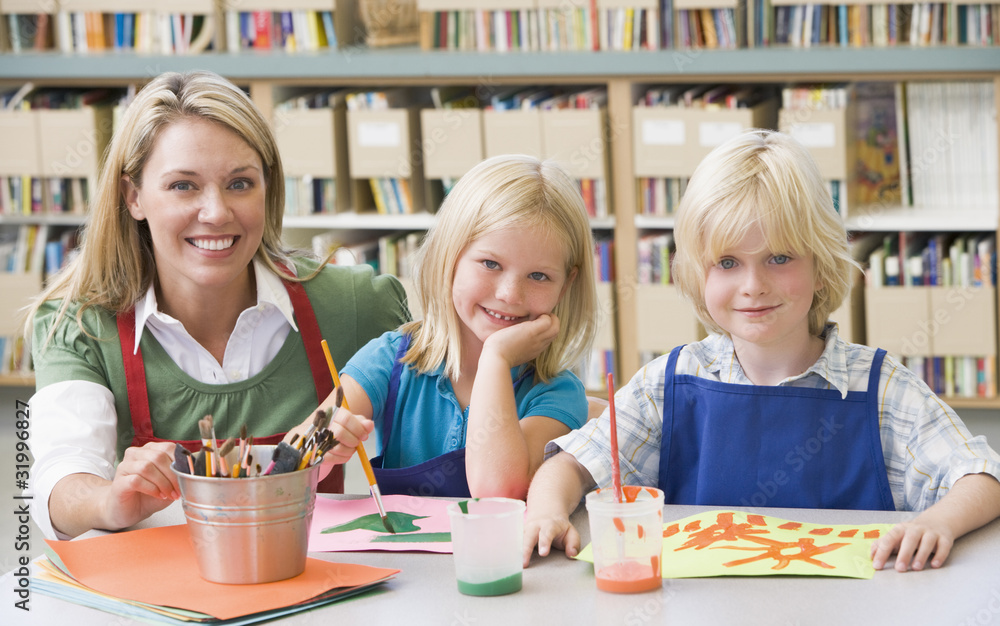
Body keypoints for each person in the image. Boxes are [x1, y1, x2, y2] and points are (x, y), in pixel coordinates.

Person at [522, 129, 1000, 572]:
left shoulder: (880, 389)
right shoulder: (668, 384)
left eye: (780, 258)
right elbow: (567, 466)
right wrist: (546, 513)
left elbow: (983, 476)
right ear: (697, 273)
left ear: (821, 263)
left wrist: (938, 522)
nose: (754, 286)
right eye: (727, 262)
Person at [24, 70, 409, 540]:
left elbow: (449, 417)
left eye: (240, 183)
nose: (217, 212)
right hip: (162, 604)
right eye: (183, 185)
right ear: (134, 196)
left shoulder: (356, 305)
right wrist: (109, 499)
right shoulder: (81, 326)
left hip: (318, 593)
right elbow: (59, 484)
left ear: (267, 188)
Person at [313, 154, 599, 500]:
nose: (509, 295)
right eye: (490, 263)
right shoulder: (391, 359)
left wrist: (496, 359)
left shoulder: (557, 392)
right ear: (449, 257)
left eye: (539, 276)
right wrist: (319, 457)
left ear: (565, 285)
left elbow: (499, 490)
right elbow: (289, 467)